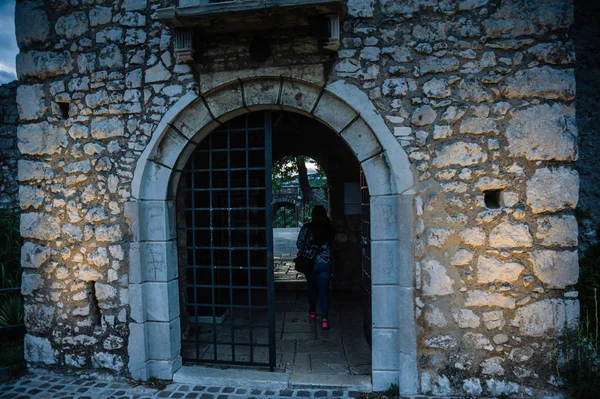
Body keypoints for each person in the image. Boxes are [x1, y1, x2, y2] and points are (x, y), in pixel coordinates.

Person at [296, 205, 336, 330]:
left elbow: (299, 244)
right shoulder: (330, 228)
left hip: (310, 263)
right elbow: (333, 244)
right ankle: (324, 320)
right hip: (325, 263)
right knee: (324, 292)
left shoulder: (307, 228)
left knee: (312, 288)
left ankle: (312, 312)